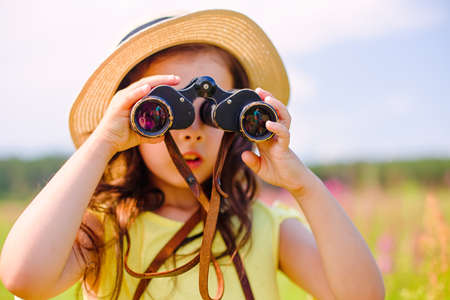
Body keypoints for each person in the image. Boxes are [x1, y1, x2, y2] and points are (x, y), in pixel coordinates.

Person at [0, 9, 385, 300]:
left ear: (237, 120)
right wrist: (102, 143)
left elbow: (363, 296)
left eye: (213, 113)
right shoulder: (107, 227)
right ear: (133, 121)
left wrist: (305, 186)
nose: (191, 132)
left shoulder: (267, 228)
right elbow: (24, 277)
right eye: (162, 113)